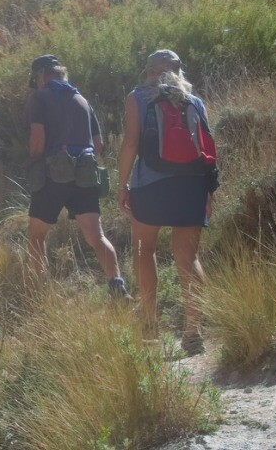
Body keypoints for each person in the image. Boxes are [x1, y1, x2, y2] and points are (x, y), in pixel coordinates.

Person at [117, 49, 219, 353]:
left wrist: (122, 185)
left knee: (143, 250)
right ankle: (193, 331)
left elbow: (131, 142)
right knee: (189, 258)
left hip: (150, 184)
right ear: (179, 71)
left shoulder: (138, 96)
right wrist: (209, 193)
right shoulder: (195, 101)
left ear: (149, 71)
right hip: (192, 185)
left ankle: (150, 325)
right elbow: (208, 150)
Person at [24, 55, 127, 298]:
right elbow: (99, 145)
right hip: (85, 174)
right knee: (96, 236)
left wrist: (34, 161)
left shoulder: (39, 97)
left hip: (53, 173)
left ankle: (40, 294)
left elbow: (37, 139)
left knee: (36, 235)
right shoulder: (82, 99)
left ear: (40, 75)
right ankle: (117, 286)